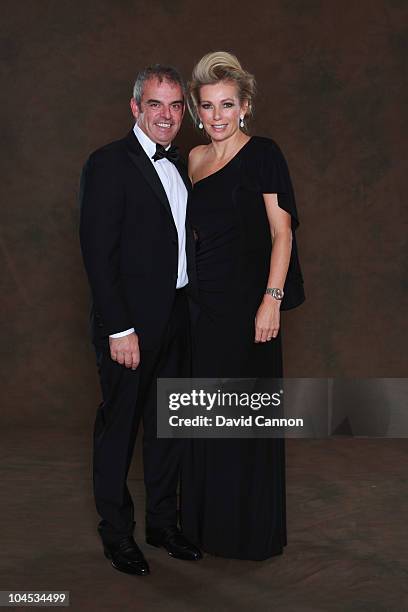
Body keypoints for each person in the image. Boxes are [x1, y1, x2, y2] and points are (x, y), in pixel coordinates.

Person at [181, 51, 305, 560]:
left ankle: (249, 534)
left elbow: (282, 232)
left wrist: (270, 301)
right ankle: (207, 530)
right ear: (197, 110)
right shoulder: (192, 159)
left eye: (227, 104)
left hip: (249, 308)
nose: (216, 116)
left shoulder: (265, 153)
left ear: (245, 106)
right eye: (207, 106)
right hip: (201, 309)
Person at [79, 65, 202, 576]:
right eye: (156, 104)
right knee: (120, 430)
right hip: (130, 326)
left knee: (167, 428)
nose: (167, 115)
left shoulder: (187, 164)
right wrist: (118, 328)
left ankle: (162, 525)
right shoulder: (108, 163)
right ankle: (117, 536)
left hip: (179, 316)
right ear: (136, 108)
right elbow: (96, 253)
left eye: (175, 106)